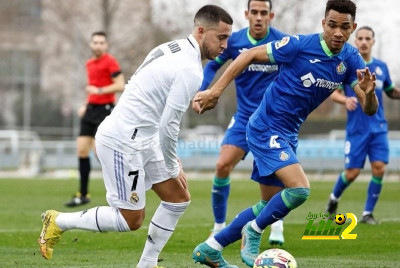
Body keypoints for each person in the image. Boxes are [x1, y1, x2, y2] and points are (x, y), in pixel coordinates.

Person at [38, 5, 233, 268]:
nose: (225, 45)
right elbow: (169, 125)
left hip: (144, 138)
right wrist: (173, 163)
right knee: (131, 220)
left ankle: (147, 264)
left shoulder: (170, 47)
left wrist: (166, 158)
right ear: (201, 31)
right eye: (221, 37)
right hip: (123, 141)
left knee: (178, 198)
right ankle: (58, 221)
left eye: (228, 37)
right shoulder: (190, 69)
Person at [192, 0, 378, 267]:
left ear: (353, 28)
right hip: (265, 126)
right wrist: (214, 91)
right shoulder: (299, 45)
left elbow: (368, 108)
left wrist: (369, 93)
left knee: (266, 204)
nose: (338, 32)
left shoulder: (350, 59)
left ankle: (211, 247)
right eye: (332, 25)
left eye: (344, 27)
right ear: (323, 24)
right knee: (300, 190)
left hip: (288, 133)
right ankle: (254, 231)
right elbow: (247, 55)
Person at [193, 0, 286, 245]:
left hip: (274, 119)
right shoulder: (233, 42)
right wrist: (202, 91)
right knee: (222, 165)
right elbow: (212, 66)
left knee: (277, 172)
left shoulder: (282, 42)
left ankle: (276, 223)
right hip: (244, 116)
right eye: (253, 12)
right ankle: (218, 226)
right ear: (246, 14)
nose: (258, 17)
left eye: (263, 13)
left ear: (271, 15)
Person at [326, 26, 400, 224]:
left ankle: (367, 213)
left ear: (373, 42)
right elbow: (332, 92)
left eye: (368, 38)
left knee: (379, 168)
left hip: (379, 128)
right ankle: (333, 199)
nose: (364, 41)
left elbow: (391, 91)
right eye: (361, 38)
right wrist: (344, 100)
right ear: (355, 41)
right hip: (357, 130)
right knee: (352, 173)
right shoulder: (347, 66)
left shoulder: (382, 67)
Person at [65, 31, 125, 207]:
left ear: (106, 45)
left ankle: (120, 192)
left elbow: (120, 85)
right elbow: (92, 88)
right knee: (82, 151)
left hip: (105, 111)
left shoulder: (110, 61)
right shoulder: (89, 63)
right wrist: (86, 104)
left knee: (101, 154)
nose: (98, 45)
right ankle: (83, 194)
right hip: (90, 110)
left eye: (101, 43)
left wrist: (98, 91)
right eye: (95, 42)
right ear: (91, 45)